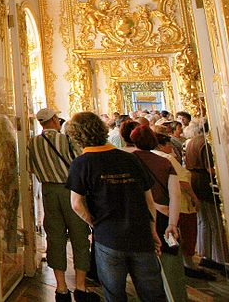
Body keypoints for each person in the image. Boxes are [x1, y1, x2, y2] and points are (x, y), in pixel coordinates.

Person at [65, 111, 166, 302]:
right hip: (140, 234)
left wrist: (94, 223)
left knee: (114, 294)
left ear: (76, 137)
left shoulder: (81, 163)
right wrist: (152, 229)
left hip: (108, 237)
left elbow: (76, 204)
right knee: (153, 294)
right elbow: (149, 200)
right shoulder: (130, 158)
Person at [27, 108, 96, 302]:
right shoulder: (66, 140)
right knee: (80, 237)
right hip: (71, 190)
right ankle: (81, 287)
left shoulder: (32, 143)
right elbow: (80, 163)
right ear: (55, 120)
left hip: (49, 192)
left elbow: (30, 167)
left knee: (55, 238)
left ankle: (61, 288)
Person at [131, 125, 186, 301]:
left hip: (141, 217)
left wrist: (152, 205)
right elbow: (175, 195)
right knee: (171, 265)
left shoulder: (129, 160)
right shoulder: (165, 162)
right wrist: (173, 222)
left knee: (145, 268)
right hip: (165, 216)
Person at [154, 131, 214, 279]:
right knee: (187, 232)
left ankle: (179, 259)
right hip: (181, 202)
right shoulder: (167, 158)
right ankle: (187, 262)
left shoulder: (153, 156)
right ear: (161, 145)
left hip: (165, 202)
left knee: (176, 232)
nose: (170, 147)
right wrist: (194, 197)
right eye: (168, 144)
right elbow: (182, 180)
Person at [184, 118, 229, 270]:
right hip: (204, 183)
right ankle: (219, 257)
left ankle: (205, 253)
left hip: (195, 182)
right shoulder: (204, 143)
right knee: (215, 221)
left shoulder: (191, 142)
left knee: (203, 220)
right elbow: (210, 168)